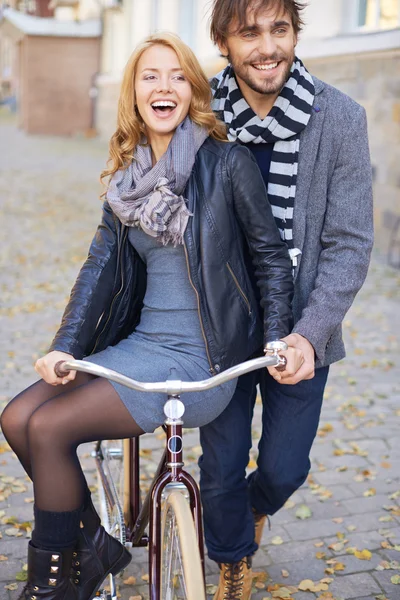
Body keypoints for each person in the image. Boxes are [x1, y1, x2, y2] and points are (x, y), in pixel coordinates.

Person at [0, 33, 302, 600]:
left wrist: (280, 335)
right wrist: (65, 345)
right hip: (138, 347)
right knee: (17, 418)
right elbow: (97, 271)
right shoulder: (126, 179)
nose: (163, 86)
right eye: (149, 76)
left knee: (49, 428)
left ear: (192, 89)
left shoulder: (227, 162)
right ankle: (91, 541)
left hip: (200, 359)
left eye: (176, 75)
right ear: (134, 93)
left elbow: (269, 258)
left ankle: (57, 581)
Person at [198, 1, 374, 598]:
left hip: (300, 328)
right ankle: (230, 556)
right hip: (218, 325)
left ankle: (245, 511)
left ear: (296, 34)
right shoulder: (201, 116)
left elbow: (350, 244)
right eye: (249, 32)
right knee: (219, 465)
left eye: (280, 28)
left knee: (283, 468)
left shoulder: (341, 118)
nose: (267, 45)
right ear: (223, 41)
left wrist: (311, 331)